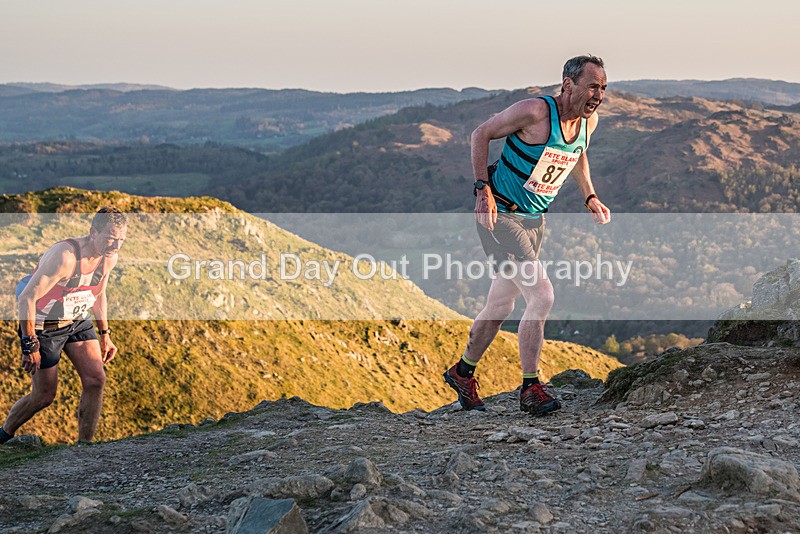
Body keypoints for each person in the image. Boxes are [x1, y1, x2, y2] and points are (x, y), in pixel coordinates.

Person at [444, 55, 611, 415]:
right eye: (592, 87)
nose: (598, 95)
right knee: (543, 294)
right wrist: (481, 190)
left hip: (535, 220)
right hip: (499, 215)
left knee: (501, 304)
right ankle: (530, 386)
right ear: (568, 85)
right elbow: (480, 133)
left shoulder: (587, 122)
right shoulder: (535, 112)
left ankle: (463, 371)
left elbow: (578, 154)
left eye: (603, 88)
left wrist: (590, 196)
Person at [0, 207, 127, 444]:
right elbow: (26, 298)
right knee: (44, 396)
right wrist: (30, 345)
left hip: (77, 321)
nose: (115, 246)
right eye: (111, 238)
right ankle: (4, 434)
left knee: (96, 379)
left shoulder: (110, 257)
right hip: (44, 325)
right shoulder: (65, 256)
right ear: (93, 232)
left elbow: (99, 294)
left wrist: (105, 334)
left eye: (121, 240)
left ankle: (84, 447)